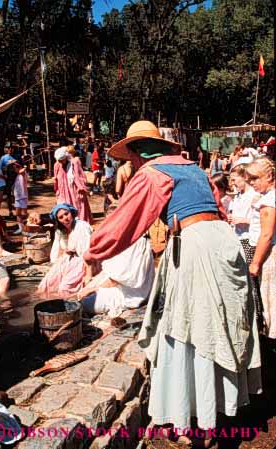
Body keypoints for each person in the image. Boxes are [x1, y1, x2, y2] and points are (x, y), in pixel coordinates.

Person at [82, 121, 261, 448]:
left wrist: (92, 251)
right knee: (214, 327)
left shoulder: (151, 174)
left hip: (195, 248)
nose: (131, 164)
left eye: (131, 158)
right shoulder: (195, 170)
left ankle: (188, 424)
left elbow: (125, 221)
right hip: (223, 244)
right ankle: (210, 417)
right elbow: (217, 210)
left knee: (187, 333)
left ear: (138, 152)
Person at [78, 204, 155, 317]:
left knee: (85, 303)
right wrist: (91, 284)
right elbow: (111, 272)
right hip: (120, 284)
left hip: (131, 293)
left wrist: (94, 288)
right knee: (84, 291)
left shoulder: (134, 241)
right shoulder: (121, 238)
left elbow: (119, 278)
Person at [228, 164, 263, 330]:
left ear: (244, 178)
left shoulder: (254, 196)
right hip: (238, 238)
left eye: (235, 179)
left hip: (248, 240)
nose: (233, 183)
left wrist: (243, 220)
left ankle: (256, 315)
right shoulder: (238, 196)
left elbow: (259, 222)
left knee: (250, 279)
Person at [37, 204, 93, 298]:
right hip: (68, 259)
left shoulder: (81, 227)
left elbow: (87, 252)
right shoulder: (60, 230)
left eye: (66, 214)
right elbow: (56, 248)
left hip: (83, 261)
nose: (65, 218)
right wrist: (56, 264)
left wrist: (88, 274)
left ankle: (69, 305)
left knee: (65, 287)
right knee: (47, 282)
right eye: (61, 217)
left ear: (71, 213)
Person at [247, 158, 276, 339]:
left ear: (269, 176)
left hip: (270, 255)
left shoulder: (269, 202)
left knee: (271, 299)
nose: (252, 183)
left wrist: (255, 263)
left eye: (256, 178)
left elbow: (266, 235)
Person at [11, 162, 28, 235]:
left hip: (23, 197)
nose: (14, 170)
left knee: (24, 214)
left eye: (15, 168)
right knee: (18, 213)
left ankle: (27, 227)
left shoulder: (23, 174)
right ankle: (20, 228)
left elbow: (23, 171)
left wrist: (22, 168)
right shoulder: (17, 175)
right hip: (17, 197)